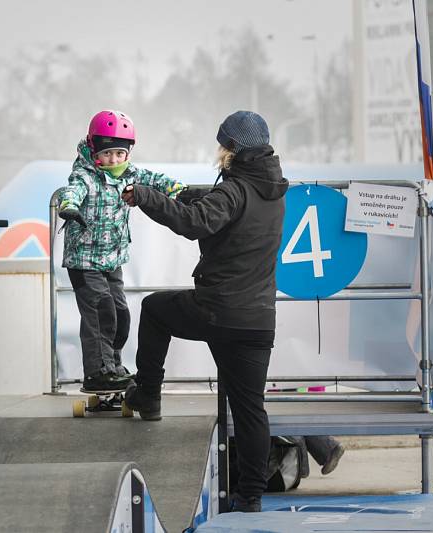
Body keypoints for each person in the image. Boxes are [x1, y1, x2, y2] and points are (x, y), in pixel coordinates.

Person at [121, 110, 287, 513]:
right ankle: (250, 497)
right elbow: (220, 208)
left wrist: (146, 197)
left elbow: (195, 223)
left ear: (232, 150)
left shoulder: (233, 191)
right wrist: (193, 192)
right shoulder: (274, 190)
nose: (219, 152)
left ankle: (148, 394)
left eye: (222, 145)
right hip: (258, 320)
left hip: (218, 311)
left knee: (155, 308)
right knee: (250, 409)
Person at [59, 109, 185, 392]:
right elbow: (72, 191)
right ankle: (97, 371)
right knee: (101, 310)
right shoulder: (85, 175)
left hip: (112, 259)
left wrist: (179, 191)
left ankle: (113, 365)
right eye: (107, 154)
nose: (113, 160)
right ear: (94, 151)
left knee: (120, 313)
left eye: (119, 154)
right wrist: (69, 207)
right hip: (84, 259)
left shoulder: (129, 173)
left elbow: (156, 180)